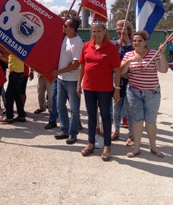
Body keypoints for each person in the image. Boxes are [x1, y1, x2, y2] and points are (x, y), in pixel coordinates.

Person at [120, 30, 168, 158]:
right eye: (134, 41)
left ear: (146, 42)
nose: (136, 43)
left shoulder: (154, 54)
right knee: (137, 120)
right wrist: (130, 60)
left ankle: (153, 147)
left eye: (140, 41)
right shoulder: (128, 54)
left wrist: (162, 54)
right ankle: (136, 148)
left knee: (151, 121)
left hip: (152, 92)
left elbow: (163, 70)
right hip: (134, 92)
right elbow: (121, 71)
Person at [78, 20, 121, 161]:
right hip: (89, 87)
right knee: (91, 116)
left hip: (105, 89)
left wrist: (117, 89)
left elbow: (117, 69)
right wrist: (79, 84)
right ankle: (90, 143)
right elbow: (82, 66)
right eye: (93, 31)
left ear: (104, 32)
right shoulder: (86, 46)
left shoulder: (111, 48)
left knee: (105, 116)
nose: (96, 34)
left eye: (98, 31)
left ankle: (107, 146)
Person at [52, 18, 84, 145]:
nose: (63, 27)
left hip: (72, 80)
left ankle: (73, 133)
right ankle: (64, 130)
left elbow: (76, 64)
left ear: (72, 29)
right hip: (61, 79)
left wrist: (59, 72)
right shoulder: (66, 38)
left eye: (65, 25)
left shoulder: (77, 42)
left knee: (74, 109)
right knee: (60, 106)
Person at [112, 20, 135, 146]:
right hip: (117, 81)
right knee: (116, 108)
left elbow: (137, 61)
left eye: (121, 28)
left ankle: (131, 135)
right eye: (117, 28)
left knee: (130, 108)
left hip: (131, 81)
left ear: (128, 30)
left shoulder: (134, 45)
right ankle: (116, 130)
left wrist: (128, 72)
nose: (118, 31)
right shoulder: (114, 45)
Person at [1, 54, 27, 123]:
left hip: (15, 73)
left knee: (8, 95)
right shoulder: (15, 51)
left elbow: (5, 52)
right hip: (18, 72)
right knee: (16, 94)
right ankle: (21, 115)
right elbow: (7, 59)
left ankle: (9, 116)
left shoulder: (13, 50)